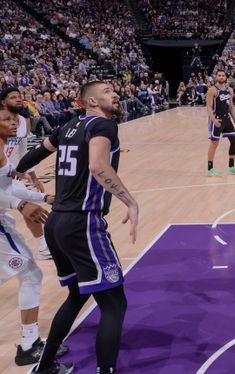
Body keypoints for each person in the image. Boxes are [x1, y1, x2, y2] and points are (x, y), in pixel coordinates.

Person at [16, 81, 140, 374]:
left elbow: (29, 158)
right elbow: (98, 166)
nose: (116, 93)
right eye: (108, 91)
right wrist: (130, 201)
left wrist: (20, 175)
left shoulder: (68, 127)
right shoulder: (104, 126)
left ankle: (44, 367)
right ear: (92, 102)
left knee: (77, 295)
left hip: (57, 222)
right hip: (82, 223)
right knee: (114, 304)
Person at [0, 106, 69, 367]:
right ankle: (28, 347)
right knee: (31, 274)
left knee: (30, 274)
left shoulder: (4, 147)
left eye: (14, 118)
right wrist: (19, 205)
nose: (13, 122)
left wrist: (43, 197)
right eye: (6, 119)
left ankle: (30, 343)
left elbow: (9, 185)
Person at [1, 87, 51, 259]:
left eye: (19, 96)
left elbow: (23, 152)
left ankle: (43, 248)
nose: (18, 99)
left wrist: (34, 177)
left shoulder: (23, 121)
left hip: (9, 174)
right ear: (3, 102)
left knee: (28, 204)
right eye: (13, 97)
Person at [206, 69, 235, 177]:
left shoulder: (230, 90)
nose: (221, 77)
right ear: (216, 77)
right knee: (214, 143)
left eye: (223, 75)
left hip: (227, 119)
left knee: (234, 141)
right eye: (219, 75)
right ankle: (209, 169)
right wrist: (213, 119)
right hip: (217, 119)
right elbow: (208, 106)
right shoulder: (212, 90)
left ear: (226, 77)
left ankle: (231, 167)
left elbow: (230, 106)